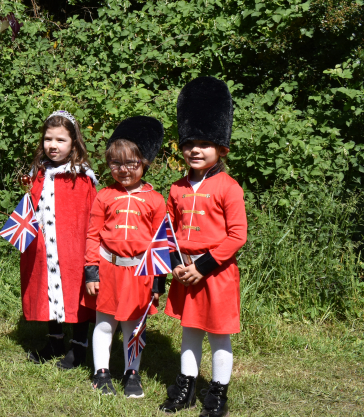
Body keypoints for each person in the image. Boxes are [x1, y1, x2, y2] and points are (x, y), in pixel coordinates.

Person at [159, 77, 247, 417]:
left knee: (219, 336)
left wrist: (203, 266)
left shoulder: (229, 187)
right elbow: (166, 230)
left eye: (205, 143)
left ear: (222, 148)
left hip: (216, 274)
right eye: (189, 143)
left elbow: (237, 234)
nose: (195, 149)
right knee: (190, 331)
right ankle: (186, 388)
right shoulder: (177, 188)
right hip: (185, 273)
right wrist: (175, 266)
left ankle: (218, 395)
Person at [84, 116, 167, 398]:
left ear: (144, 162)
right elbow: (92, 235)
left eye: (131, 163)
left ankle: (132, 372)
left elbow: (160, 244)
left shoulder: (156, 200)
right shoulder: (104, 195)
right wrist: (91, 272)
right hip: (108, 270)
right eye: (115, 164)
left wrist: (158, 284)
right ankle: (101, 373)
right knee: (105, 323)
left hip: (140, 274)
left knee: (133, 326)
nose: (123, 170)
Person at [22, 110, 98, 369]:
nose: (52, 146)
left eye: (60, 140)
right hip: (45, 245)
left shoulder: (81, 176)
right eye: (48, 139)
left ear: (74, 143)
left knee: (75, 290)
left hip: (74, 248)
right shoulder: (40, 172)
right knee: (47, 286)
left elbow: (90, 216)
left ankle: (79, 346)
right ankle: (54, 340)